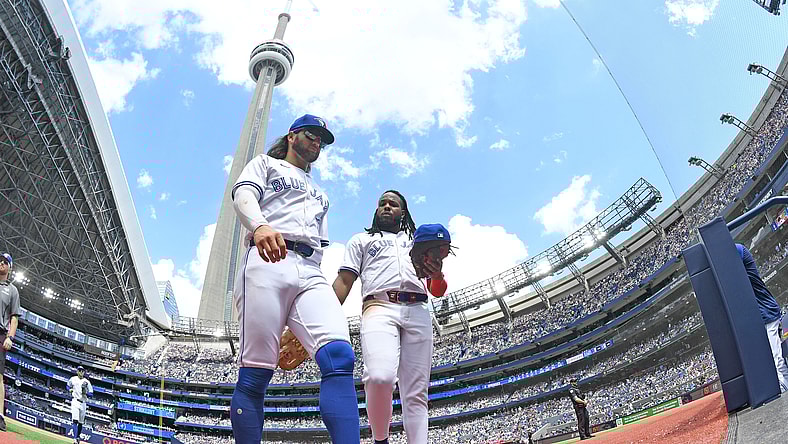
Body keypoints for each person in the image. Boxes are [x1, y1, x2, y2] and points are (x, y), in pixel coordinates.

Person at [230, 114, 359, 444]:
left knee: (341, 356)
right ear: (292, 136)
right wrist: (258, 225)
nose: (317, 142)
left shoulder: (320, 193)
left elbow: (320, 244)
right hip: (268, 257)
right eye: (312, 135)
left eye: (322, 140)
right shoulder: (265, 164)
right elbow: (243, 195)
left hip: (310, 269)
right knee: (257, 374)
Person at [332, 191, 448, 444]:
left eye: (392, 204)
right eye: (382, 203)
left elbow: (437, 290)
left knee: (416, 394)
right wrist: (325, 314)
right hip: (379, 307)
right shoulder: (361, 240)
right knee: (379, 377)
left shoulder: (418, 242)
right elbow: (344, 280)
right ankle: (380, 440)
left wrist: (438, 276)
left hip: (418, 309)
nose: (386, 206)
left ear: (403, 212)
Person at [735, 243, 788, 392]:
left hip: (767, 311)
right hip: (757, 315)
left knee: (775, 354)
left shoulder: (738, 249)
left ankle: (784, 382)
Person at [0, 253, 19, 432]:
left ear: (10, 267)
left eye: (5, 262)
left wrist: (10, 337)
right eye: (0, 260)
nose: (1, 263)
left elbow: (14, 318)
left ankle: (0, 415)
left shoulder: (12, 290)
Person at [67, 365, 93, 444]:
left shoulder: (86, 382)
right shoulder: (73, 379)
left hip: (83, 403)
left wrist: (86, 393)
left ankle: (77, 437)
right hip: (75, 401)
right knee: (75, 420)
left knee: (81, 422)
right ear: (77, 371)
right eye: (79, 370)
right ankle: (75, 439)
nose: (81, 372)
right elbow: (67, 386)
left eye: (82, 370)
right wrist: (70, 389)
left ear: (84, 372)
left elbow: (91, 393)